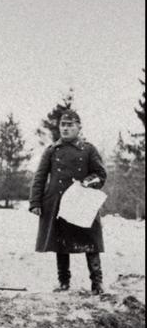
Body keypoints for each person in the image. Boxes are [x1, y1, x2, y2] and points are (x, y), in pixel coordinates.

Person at [29, 110, 107, 294]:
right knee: (60, 242)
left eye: (70, 125)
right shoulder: (52, 150)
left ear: (79, 127)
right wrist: (35, 202)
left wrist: (86, 183)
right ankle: (63, 282)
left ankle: (97, 284)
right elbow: (39, 177)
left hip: (82, 202)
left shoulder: (88, 149)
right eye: (63, 125)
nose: (65, 128)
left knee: (91, 241)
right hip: (56, 202)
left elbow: (101, 175)